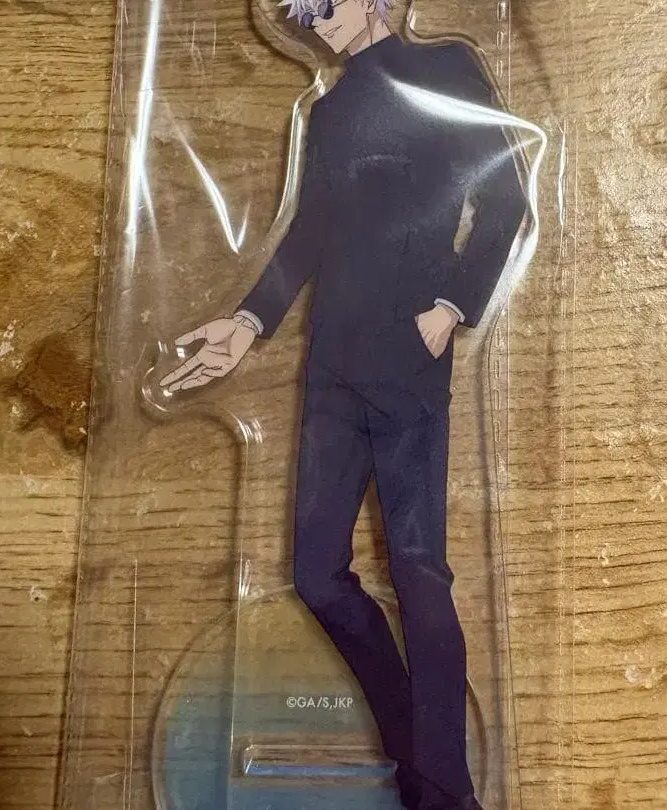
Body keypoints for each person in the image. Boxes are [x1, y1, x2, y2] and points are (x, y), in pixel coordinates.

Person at [162, 1, 528, 807]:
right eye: (301, 11)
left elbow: (505, 198)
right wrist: (248, 322)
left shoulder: (444, 71)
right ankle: (417, 753)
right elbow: (309, 231)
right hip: (330, 363)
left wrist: (451, 307)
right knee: (318, 575)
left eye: (324, 3)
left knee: (420, 571)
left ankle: (444, 790)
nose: (314, 20)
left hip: (409, 357)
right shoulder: (328, 113)